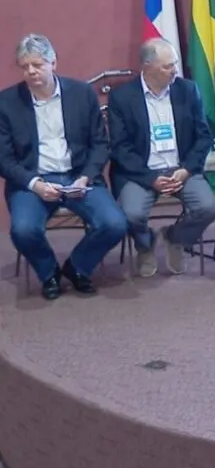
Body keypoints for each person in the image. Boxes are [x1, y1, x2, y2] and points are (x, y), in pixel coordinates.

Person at [0, 34, 128, 299]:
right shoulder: (6, 103)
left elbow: (100, 143)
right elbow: (4, 159)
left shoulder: (81, 94)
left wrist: (86, 177)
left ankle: (77, 266)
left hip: (77, 177)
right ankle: (49, 273)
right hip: (32, 181)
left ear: (53, 63)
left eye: (37, 64)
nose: (31, 71)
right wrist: (35, 184)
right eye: (25, 66)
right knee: (23, 230)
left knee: (114, 223)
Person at [107, 38, 215, 276]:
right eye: (167, 66)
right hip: (140, 173)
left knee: (209, 207)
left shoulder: (188, 90)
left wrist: (187, 169)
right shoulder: (122, 97)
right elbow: (120, 148)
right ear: (147, 67)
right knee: (132, 213)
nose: (174, 71)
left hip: (180, 169)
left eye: (175, 64)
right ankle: (145, 244)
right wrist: (150, 179)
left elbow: (203, 136)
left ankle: (175, 237)